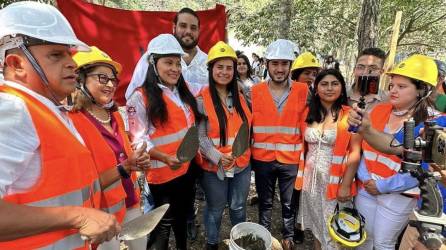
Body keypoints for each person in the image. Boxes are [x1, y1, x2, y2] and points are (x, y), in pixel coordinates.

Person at [0, 2, 119, 249]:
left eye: (69, 54)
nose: (72, 64)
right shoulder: (12, 109)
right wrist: (79, 216)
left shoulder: (46, 110)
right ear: (16, 64)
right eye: (56, 55)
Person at [347, 54, 440, 249]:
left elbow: (424, 170)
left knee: (383, 243)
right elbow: (365, 150)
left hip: (399, 195)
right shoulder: (379, 110)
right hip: (367, 188)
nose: (393, 90)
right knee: (363, 238)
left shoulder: (433, 124)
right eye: (392, 85)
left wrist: (383, 186)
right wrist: (366, 180)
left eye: (402, 86)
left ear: (422, 90)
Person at [127, 34, 202, 250]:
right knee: (162, 225)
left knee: (181, 216)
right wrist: (165, 157)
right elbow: (138, 139)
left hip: (186, 170)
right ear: (153, 63)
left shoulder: (182, 92)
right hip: (163, 175)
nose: (175, 68)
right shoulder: (139, 98)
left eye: (178, 63)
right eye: (168, 62)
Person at [70, 46, 150, 250]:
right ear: (80, 80)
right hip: (101, 213)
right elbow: (81, 185)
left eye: (113, 79)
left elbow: (125, 156)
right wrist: (125, 167)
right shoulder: (73, 123)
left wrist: (138, 160)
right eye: (102, 78)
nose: (111, 84)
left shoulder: (114, 116)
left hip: (130, 202)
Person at [250, 39, 307, 250]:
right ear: (266, 64)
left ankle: (288, 236)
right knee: (265, 202)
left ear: (291, 66)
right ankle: (263, 235)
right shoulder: (254, 92)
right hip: (262, 159)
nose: (280, 69)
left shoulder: (303, 90)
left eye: (284, 63)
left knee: (289, 202)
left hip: (291, 160)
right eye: (275, 63)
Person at [296, 69, 361, 249]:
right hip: (311, 181)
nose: (329, 88)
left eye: (335, 84)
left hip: (334, 182)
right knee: (317, 227)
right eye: (324, 84)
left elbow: (356, 152)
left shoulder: (351, 115)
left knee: (333, 232)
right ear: (316, 88)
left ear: (342, 88)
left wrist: (346, 184)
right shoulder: (308, 113)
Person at [197, 42, 252, 249]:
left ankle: (240, 242)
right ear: (211, 69)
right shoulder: (202, 99)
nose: (224, 72)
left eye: (229, 67)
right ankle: (212, 243)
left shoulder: (244, 94)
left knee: (238, 207)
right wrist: (216, 155)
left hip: (241, 165)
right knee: (215, 208)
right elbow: (200, 136)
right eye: (219, 67)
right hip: (214, 168)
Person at [348, 48, 387, 112]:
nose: (365, 73)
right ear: (354, 70)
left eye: (373, 68)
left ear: (381, 72)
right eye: (360, 67)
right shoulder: (340, 95)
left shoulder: (387, 100)